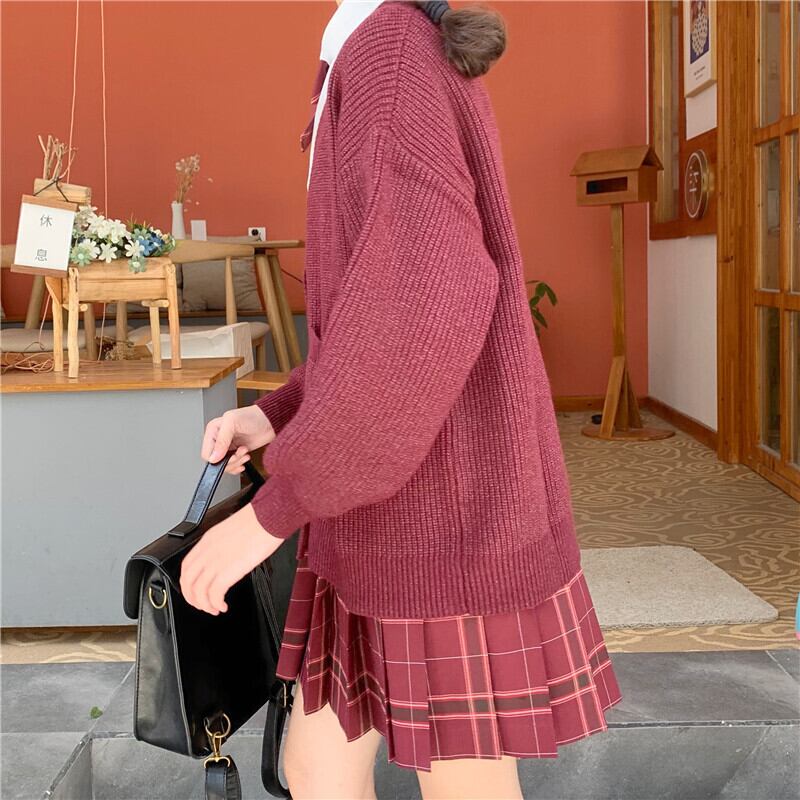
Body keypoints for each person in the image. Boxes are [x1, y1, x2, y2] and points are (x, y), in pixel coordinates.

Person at [180, 1, 622, 797]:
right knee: (316, 770)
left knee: (462, 785)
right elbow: (374, 317)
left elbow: (417, 319)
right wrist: (276, 413)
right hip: (380, 510)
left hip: (439, 523)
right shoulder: (369, 47)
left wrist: (270, 514)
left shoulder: (389, 56)